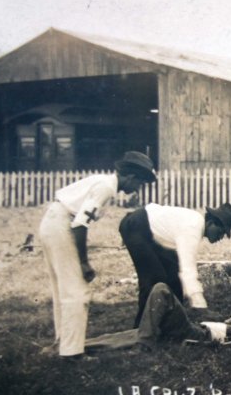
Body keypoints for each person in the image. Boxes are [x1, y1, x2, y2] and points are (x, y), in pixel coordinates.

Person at [39, 150, 155, 359]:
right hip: (61, 224)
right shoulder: (106, 188)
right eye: (140, 183)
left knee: (62, 290)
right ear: (130, 177)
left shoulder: (104, 182)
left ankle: (62, 344)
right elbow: (80, 224)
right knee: (77, 292)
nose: (138, 188)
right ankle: (72, 353)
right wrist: (84, 262)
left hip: (51, 221)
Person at [118, 201, 231, 327]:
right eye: (221, 231)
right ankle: (141, 329)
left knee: (174, 277)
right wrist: (200, 305)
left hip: (152, 232)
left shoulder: (195, 223)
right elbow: (187, 269)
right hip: (136, 226)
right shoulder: (193, 228)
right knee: (154, 279)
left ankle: (174, 323)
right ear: (211, 222)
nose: (221, 236)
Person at [84, 282, 231, 356]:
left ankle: (145, 342)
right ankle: (84, 345)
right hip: (193, 329)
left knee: (162, 289)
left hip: (195, 334)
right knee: (129, 335)